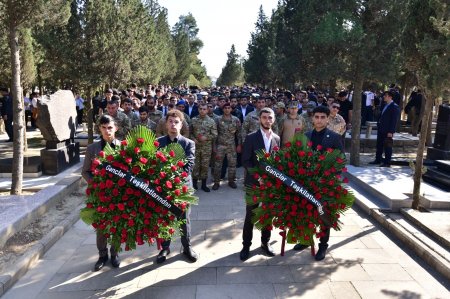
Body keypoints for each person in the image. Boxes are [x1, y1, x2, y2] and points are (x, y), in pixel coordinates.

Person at [293, 105, 344, 261]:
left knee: (323, 215)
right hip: (306, 183)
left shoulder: (334, 138)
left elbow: (340, 160)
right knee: (306, 212)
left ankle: (323, 245)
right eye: (317, 117)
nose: (319, 120)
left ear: (328, 119)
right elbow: (298, 158)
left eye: (323, 117)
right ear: (312, 118)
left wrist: (331, 178)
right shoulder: (306, 135)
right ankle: (306, 239)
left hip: (325, 184)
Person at [155, 110, 198, 264]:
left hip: (183, 188)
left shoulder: (189, 143)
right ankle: (165, 247)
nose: (173, 124)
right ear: (166, 124)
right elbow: (154, 165)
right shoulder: (158, 143)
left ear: (181, 124)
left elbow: (188, 167)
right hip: (163, 189)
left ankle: (187, 247)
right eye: (171, 121)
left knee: (184, 219)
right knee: (165, 218)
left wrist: (173, 180)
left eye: (176, 122)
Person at [82, 115, 121, 271]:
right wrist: (98, 186)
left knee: (118, 225)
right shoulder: (92, 149)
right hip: (100, 195)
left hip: (119, 195)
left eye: (110, 127)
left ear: (116, 128)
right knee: (102, 227)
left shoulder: (123, 147)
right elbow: (85, 172)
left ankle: (115, 254)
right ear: (100, 129)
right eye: (104, 128)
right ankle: (102, 255)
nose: (107, 131)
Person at [240, 107, 280, 261]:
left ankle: (265, 242)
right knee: (250, 215)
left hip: (271, 185)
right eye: (264, 117)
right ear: (259, 119)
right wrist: (258, 177)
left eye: (270, 117)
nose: (267, 120)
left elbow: (277, 161)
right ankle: (246, 245)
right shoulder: (251, 137)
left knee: (268, 215)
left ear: (274, 119)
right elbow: (246, 160)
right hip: (254, 183)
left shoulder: (276, 138)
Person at [212, 102, 242, 190]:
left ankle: (231, 181)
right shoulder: (217, 119)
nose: (227, 109)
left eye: (229, 108)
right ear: (223, 109)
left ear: (231, 109)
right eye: (225, 108)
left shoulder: (236, 120)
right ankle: (216, 182)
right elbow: (214, 133)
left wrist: (239, 145)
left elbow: (239, 134)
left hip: (231, 146)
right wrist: (214, 146)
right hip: (220, 146)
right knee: (217, 165)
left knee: (232, 165)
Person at [190, 103, 218, 192]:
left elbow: (215, 134)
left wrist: (206, 137)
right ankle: (194, 184)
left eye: (204, 109)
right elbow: (189, 132)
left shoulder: (211, 121)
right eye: (201, 109)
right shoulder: (193, 120)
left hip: (206, 147)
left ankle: (203, 185)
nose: (202, 110)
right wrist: (193, 139)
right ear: (198, 109)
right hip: (196, 146)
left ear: (207, 110)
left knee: (205, 166)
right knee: (195, 165)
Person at [369, 90, 400, 167]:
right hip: (381, 128)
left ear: (390, 97)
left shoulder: (394, 107)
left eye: (385, 96)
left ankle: (387, 162)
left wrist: (391, 131)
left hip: (387, 130)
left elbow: (394, 120)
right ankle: (378, 159)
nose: (384, 97)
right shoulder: (385, 105)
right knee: (379, 145)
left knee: (387, 146)